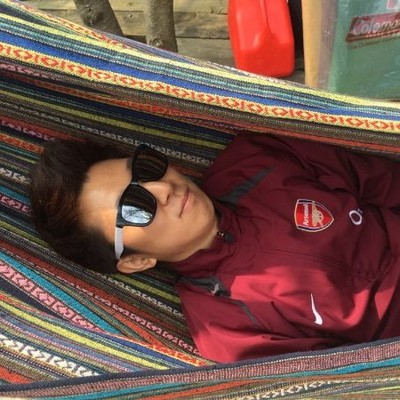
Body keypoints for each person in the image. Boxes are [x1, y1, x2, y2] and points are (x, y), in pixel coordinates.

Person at [30, 133, 400, 363]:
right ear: (136, 260)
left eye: (145, 170)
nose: (164, 189)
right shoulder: (224, 329)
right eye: (135, 207)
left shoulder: (256, 159)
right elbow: (347, 377)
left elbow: (379, 179)